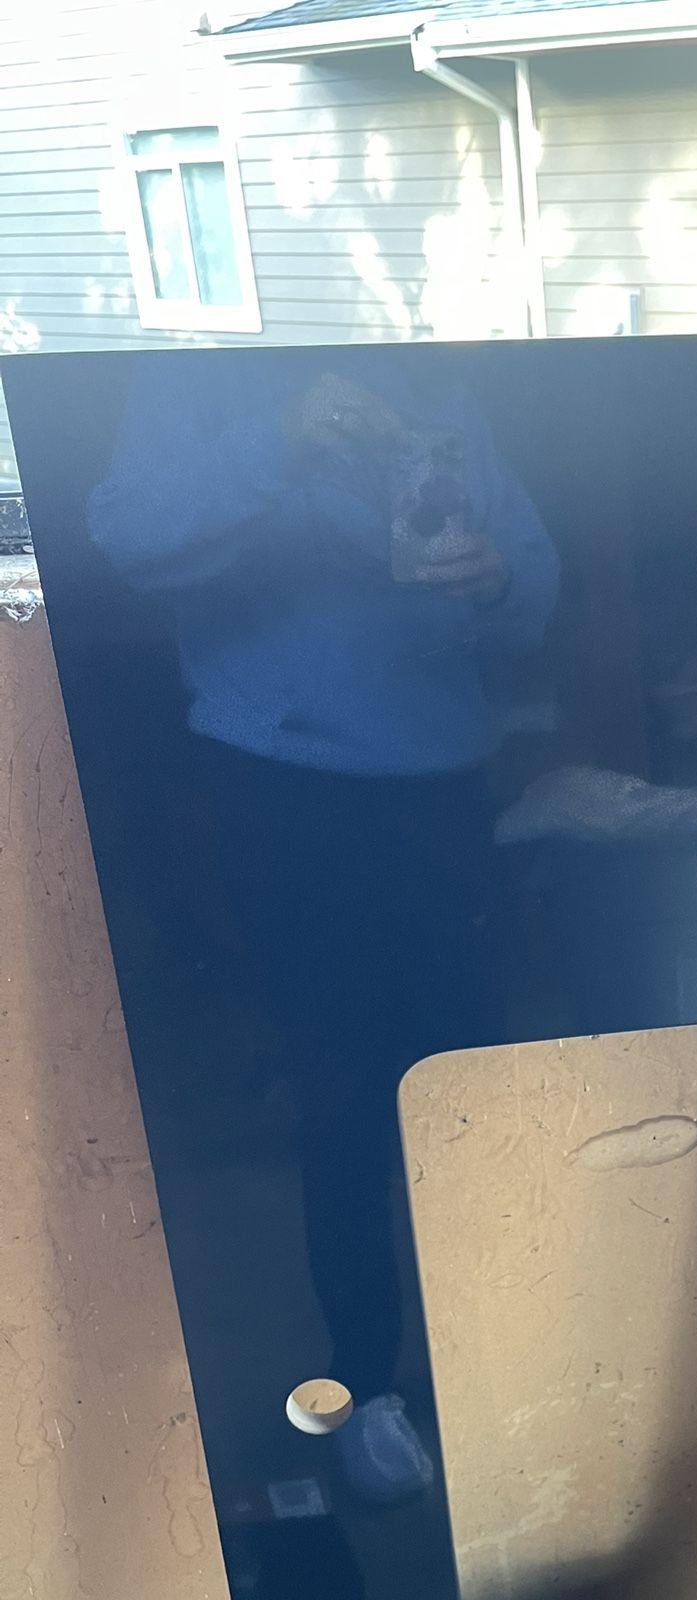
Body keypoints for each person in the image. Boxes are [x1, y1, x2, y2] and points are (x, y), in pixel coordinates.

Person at [89, 349, 560, 1500]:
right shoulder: (198, 382)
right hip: (285, 786)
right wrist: (285, 438)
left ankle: (497, 1367)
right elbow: (126, 533)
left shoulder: (441, 394)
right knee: (343, 1095)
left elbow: (537, 588)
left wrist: (500, 581)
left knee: (477, 1088)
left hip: (442, 785)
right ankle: (364, 1385)